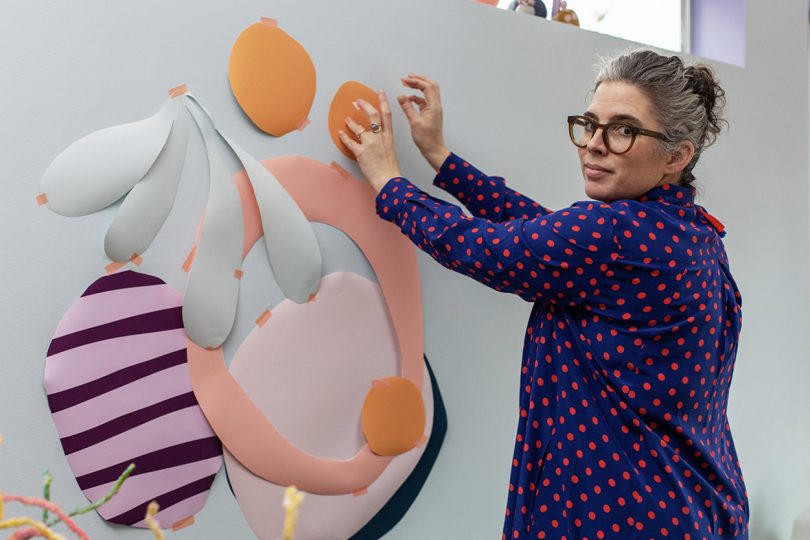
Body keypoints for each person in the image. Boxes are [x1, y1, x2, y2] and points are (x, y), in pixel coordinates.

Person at [337, 49, 749, 539]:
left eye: (623, 130)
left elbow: (487, 249)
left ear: (677, 155)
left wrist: (389, 183)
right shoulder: (690, 231)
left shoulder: (615, 235)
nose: (595, 145)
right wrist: (442, 160)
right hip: (692, 505)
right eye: (589, 124)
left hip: (624, 517)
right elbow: (546, 235)